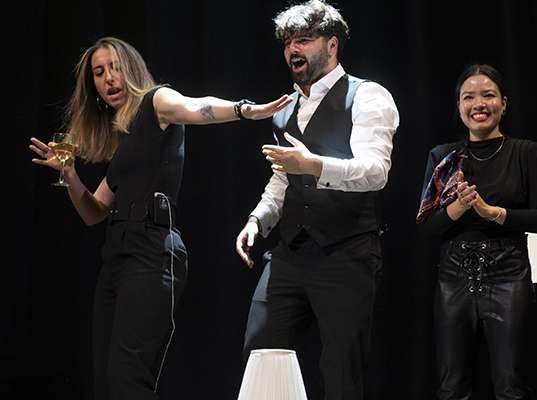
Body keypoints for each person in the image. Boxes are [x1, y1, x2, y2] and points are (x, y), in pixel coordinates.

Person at [29, 36, 291, 400]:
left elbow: (197, 106)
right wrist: (69, 174)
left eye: (115, 67)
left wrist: (246, 109)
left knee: (129, 379)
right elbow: (94, 212)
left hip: (151, 252)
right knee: (106, 381)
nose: (108, 79)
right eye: (99, 73)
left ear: (132, 69)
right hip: (117, 255)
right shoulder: (124, 142)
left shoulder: (157, 102)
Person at [235, 1, 399, 399]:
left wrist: (314, 165)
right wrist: (257, 219)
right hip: (291, 253)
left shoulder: (367, 95)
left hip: (346, 253)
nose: (293, 49)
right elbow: (282, 178)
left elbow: (375, 171)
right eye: (288, 42)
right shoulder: (284, 109)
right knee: (261, 355)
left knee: (342, 374)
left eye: (304, 40)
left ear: (332, 45)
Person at [416, 63, 537, 400]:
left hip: (507, 273)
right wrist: (459, 207)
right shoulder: (443, 157)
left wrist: (493, 213)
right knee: (451, 386)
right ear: (459, 106)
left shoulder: (526, 152)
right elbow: (427, 227)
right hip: (453, 277)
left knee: (511, 384)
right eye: (469, 97)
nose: (478, 104)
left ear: (503, 104)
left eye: (488, 95)